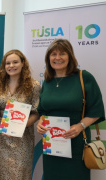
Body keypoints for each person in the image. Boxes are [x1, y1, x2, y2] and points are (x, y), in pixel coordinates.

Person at [36, 39, 105, 180]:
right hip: (52, 143)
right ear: (48, 58)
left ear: (70, 56)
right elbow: (43, 110)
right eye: (53, 54)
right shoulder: (48, 81)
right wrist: (41, 123)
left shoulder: (83, 77)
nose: (57, 58)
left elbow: (97, 110)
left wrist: (81, 126)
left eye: (62, 53)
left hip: (77, 142)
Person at [0, 49, 41, 180]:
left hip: (22, 138)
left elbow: (37, 112)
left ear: (23, 63)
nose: (11, 66)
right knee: (0, 172)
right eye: (8, 63)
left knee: (19, 173)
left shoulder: (33, 85)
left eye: (15, 62)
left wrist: (20, 126)